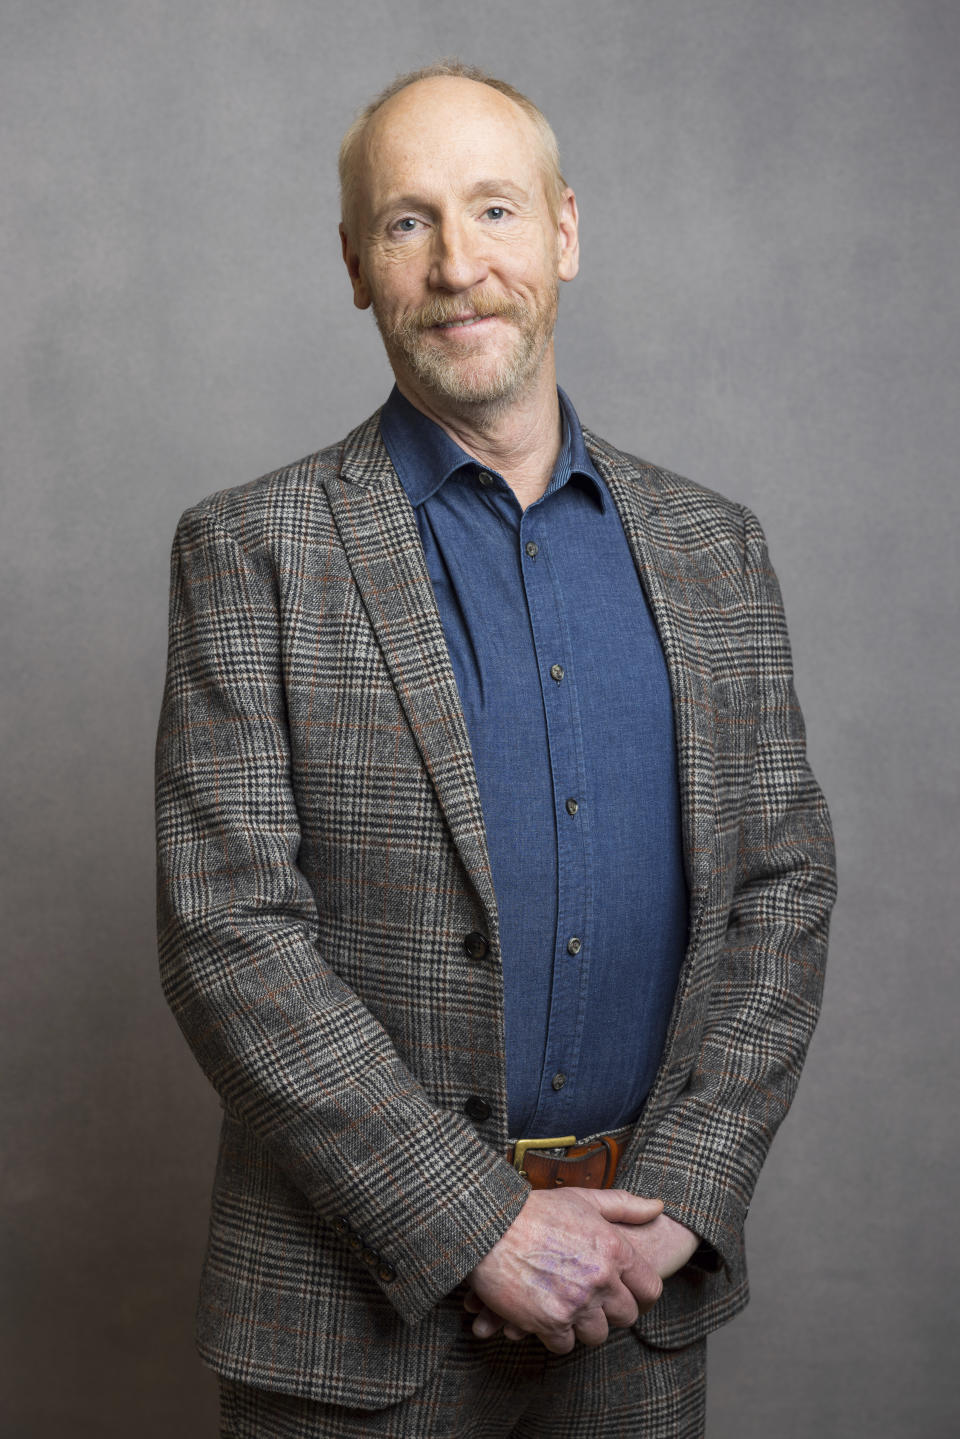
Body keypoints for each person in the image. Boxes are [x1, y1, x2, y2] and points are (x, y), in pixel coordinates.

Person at [156, 60, 837, 1439]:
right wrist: (477, 1226)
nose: (460, 265)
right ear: (357, 266)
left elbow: (782, 896)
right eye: (409, 223)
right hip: (350, 1328)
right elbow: (228, 935)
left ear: (566, 232)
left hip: (635, 1303)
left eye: (495, 211)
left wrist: (681, 1207)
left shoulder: (718, 551)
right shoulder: (252, 551)